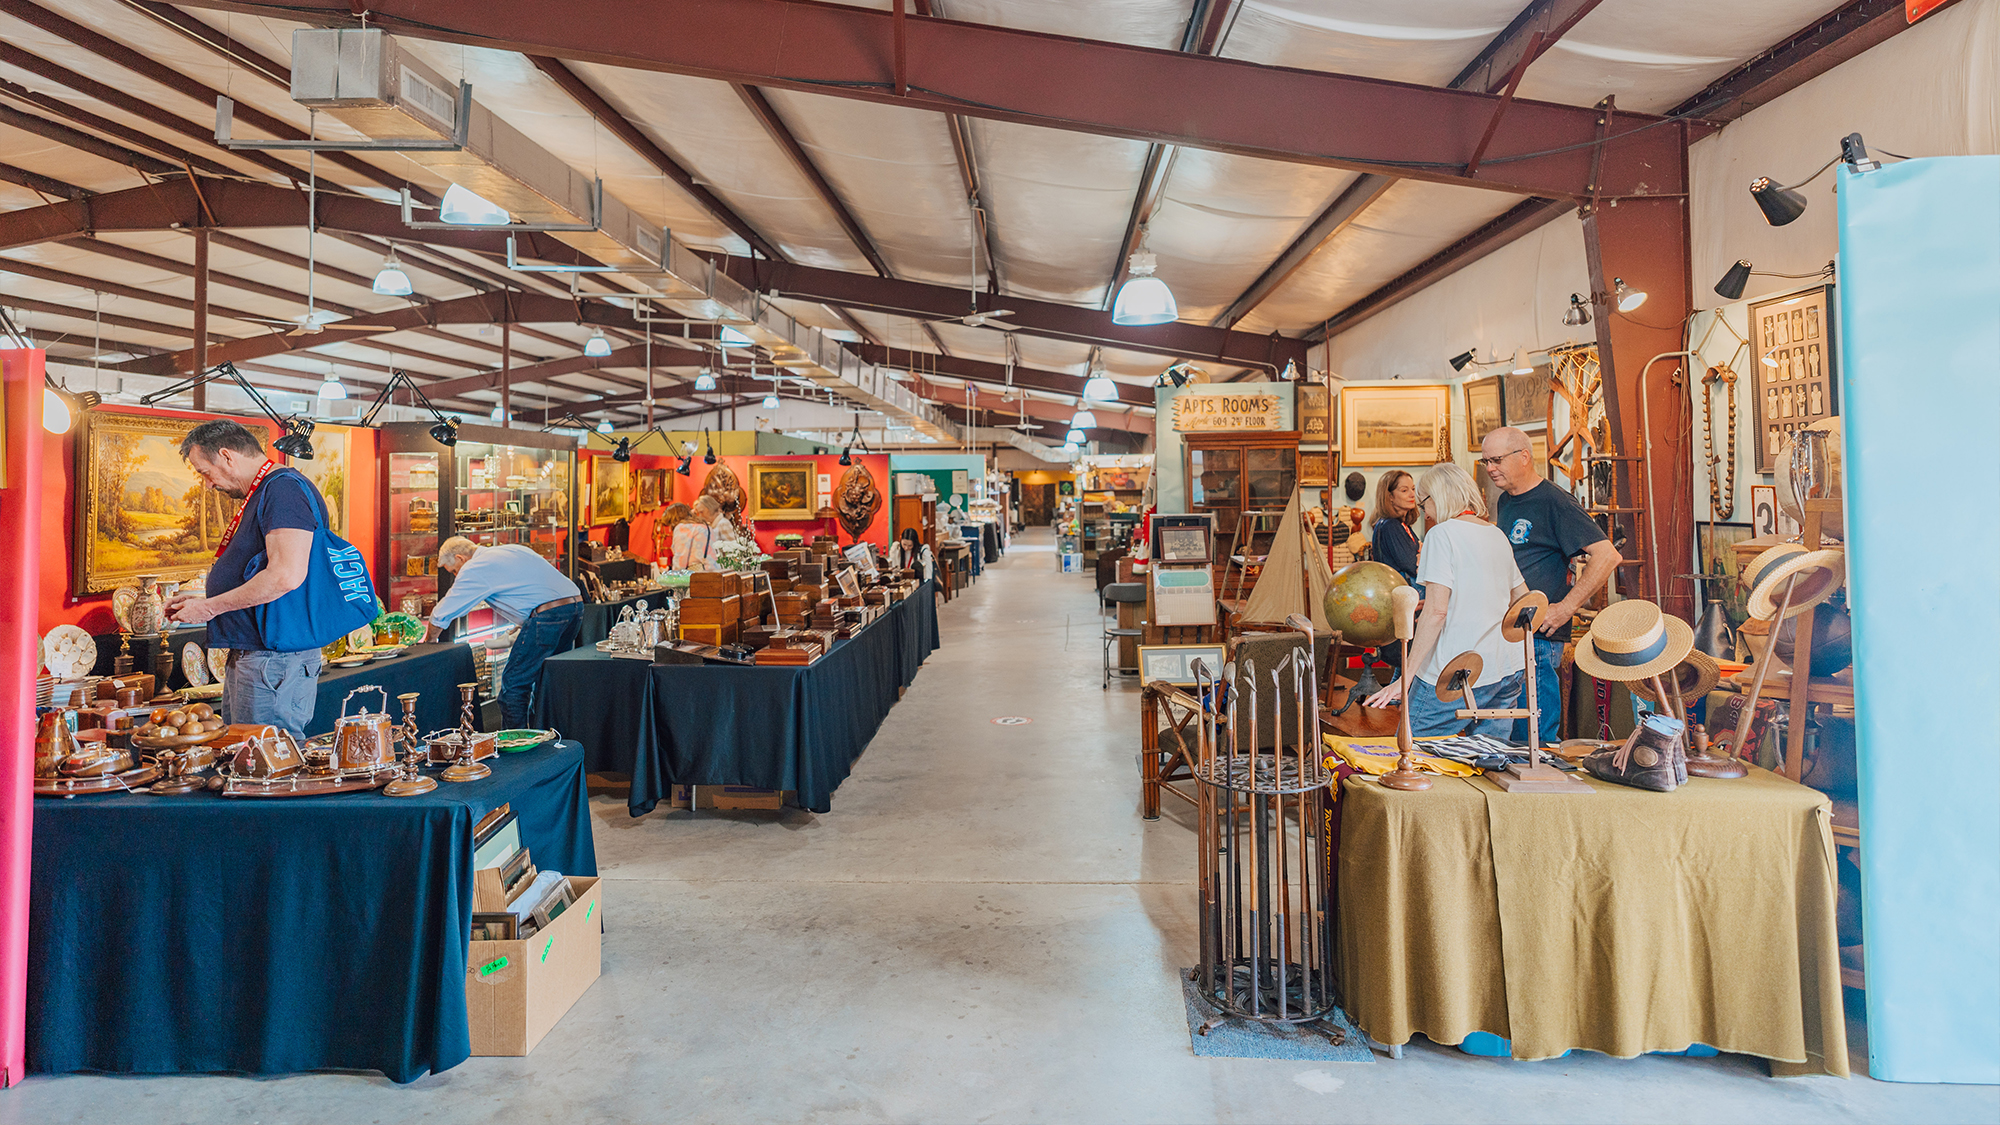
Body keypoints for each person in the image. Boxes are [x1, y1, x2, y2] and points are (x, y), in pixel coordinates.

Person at [162, 420, 338, 740]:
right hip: (264, 655)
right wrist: (203, 600)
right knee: (249, 754)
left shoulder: (283, 490)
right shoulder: (270, 491)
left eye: (205, 472)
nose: (208, 484)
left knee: (265, 761)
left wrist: (210, 608)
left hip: (272, 658)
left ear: (228, 457)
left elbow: (285, 575)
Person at [1365, 462, 1529, 738]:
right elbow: (1523, 598)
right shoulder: (1495, 533)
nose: (1425, 512)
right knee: (1487, 762)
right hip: (1506, 668)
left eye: (1424, 502)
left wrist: (1405, 677)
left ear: (1438, 497)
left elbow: (1437, 612)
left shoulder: (1441, 535)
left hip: (1456, 668)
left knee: (1414, 752)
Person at [1479, 426, 1621, 744]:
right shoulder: (1505, 502)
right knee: (1507, 742)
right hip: (1508, 635)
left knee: (1534, 742)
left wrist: (1564, 608)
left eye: (1497, 460)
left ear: (1524, 457)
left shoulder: (1555, 501)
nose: (1490, 469)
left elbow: (1607, 556)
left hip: (1539, 638)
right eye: (1485, 461)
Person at [426, 537, 583, 728]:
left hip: (548, 615)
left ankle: (516, 745)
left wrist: (430, 640)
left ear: (460, 558)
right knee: (549, 679)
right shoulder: (511, 550)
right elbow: (533, 585)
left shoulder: (475, 567)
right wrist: (526, 621)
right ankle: (550, 737)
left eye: (454, 570)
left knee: (514, 685)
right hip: (574, 606)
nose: (456, 574)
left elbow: (442, 613)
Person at [1370, 470, 1421, 586]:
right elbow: (1412, 566)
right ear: (1390, 496)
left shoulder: (1401, 524)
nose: (1412, 494)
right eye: (1404, 490)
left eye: (1413, 489)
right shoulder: (1390, 526)